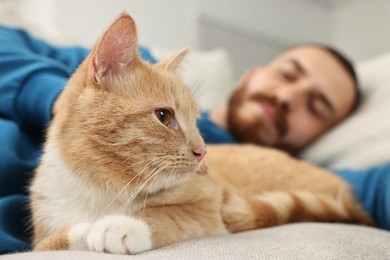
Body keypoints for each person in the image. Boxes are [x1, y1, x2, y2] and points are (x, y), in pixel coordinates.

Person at [0, 24, 387, 254]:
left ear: (320, 135)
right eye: (288, 74)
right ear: (252, 74)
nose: (287, 98)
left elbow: (363, 193)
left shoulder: (233, 157)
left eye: (316, 107)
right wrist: (56, 100)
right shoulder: (139, 71)